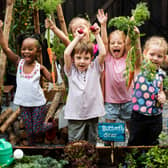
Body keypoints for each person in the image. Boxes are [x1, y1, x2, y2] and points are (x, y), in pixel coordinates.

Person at [0, 20, 57, 145]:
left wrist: (53, 62)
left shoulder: (40, 68)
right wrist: (0, 30)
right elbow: (5, 48)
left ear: (38, 51)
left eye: (30, 49)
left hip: (38, 104)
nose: (26, 52)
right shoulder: (18, 63)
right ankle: (32, 150)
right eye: (24, 49)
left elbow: (53, 79)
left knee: (36, 129)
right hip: (24, 104)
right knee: (29, 130)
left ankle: (52, 125)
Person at [63, 23, 106, 145]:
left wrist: (97, 35)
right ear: (73, 59)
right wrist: (77, 38)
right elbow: (66, 53)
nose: (82, 61)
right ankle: (76, 162)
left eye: (86, 58)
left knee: (91, 140)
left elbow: (102, 53)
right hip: (75, 114)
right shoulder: (71, 71)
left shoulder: (95, 68)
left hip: (93, 111)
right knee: (75, 141)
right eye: (78, 57)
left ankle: (90, 161)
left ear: (92, 58)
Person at [97, 9, 135, 134]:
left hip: (128, 100)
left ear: (124, 45)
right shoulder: (108, 58)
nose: (116, 45)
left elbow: (130, 42)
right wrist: (103, 25)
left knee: (131, 127)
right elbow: (104, 42)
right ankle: (110, 148)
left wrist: (130, 27)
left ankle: (132, 146)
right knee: (110, 129)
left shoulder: (127, 57)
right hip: (111, 101)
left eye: (119, 43)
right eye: (113, 43)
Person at [128, 36, 168, 146]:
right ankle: (133, 161)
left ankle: (150, 162)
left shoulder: (162, 75)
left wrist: (163, 96)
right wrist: (136, 37)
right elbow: (136, 51)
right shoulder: (140, 68)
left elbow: (163, 91)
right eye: (152, 54)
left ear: (164, 58)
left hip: (155, 117)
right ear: (145, 53)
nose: (155, 58)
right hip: (139, 115)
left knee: (153, 141)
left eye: (159, 56)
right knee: (135, 140)